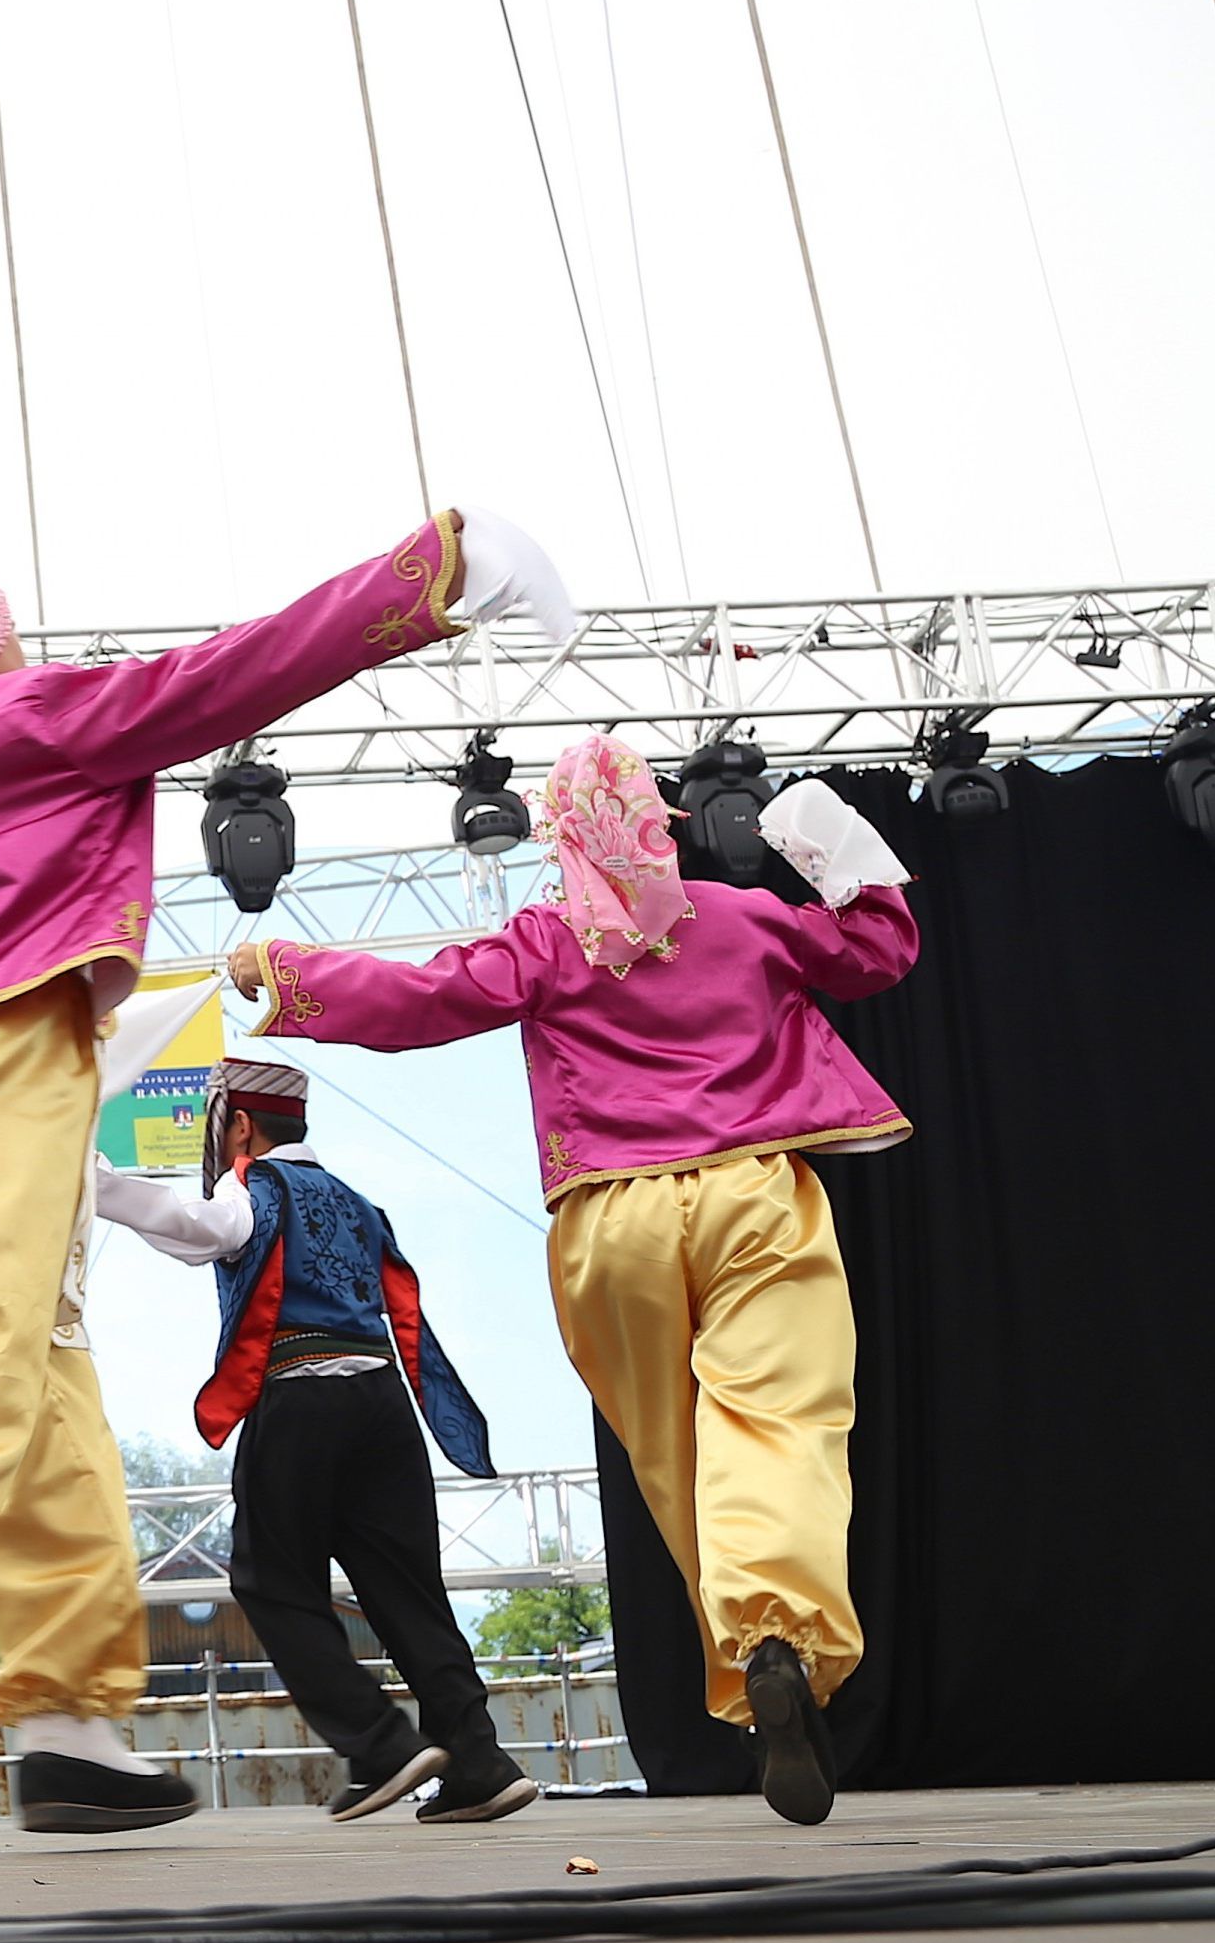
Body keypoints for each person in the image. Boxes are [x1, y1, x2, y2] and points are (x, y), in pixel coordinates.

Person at [0, 510, 571, 1863]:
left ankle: (68, 1723)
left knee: (29, 1377)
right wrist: (430, 574)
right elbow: (229, 676)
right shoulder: (15, 718)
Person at [232, 738, 917, 1826]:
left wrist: (284, 974)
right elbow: (873, 949)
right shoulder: (735, 919)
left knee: (672, 1455)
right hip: (749, 1198)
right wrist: (830, 844)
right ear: (659, 821)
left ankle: (750, 1653)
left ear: (556, 835)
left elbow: (420, 1000)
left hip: (608, 1220)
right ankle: (775, 1621)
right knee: (779, 1421)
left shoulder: (549, 941)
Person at [93, 1058, 534, 1825]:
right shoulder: (360, 1203)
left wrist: (86, 1174)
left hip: (298, 1396)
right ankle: (477, 1758)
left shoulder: (252, 1188)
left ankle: (379, 1744)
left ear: (239, 1124)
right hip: (382, 1404)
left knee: (270, 1580)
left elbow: (194, 1228)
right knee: (407, 1589)